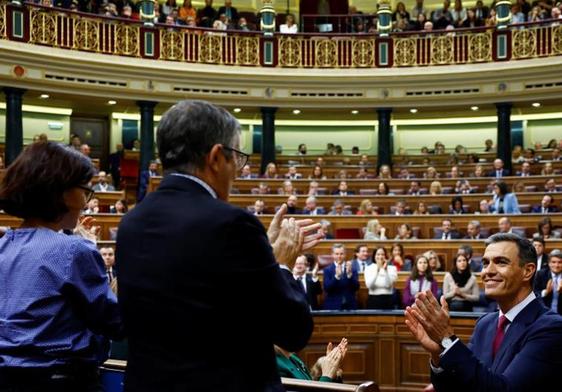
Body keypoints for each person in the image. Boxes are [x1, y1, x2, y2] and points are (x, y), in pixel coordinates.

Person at [116, 100, 321, 392]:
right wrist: (282, 264)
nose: (237, 172)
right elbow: (293, 330)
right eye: (236, 158)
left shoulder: (131, 224)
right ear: (215, 157)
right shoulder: (232, 224)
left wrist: (264, 253)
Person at [0, 141, 122, 390]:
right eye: (84, 191)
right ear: (61, 192)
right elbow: (113, 321)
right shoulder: (74, 250)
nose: (86, 201)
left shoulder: (4, 245)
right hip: (61, 380)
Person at [405, 233, 562, 391]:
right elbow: (461, 384)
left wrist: (447, 340)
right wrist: (438, 353)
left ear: (527, 271)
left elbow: (504, 389)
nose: (488, 271)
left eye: (501, 262)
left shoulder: (551, 327)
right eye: (485, 263)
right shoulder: (484, 324)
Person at [275, 338, 348, 382]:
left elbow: (309, 385)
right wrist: (327, 375)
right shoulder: (276, 365)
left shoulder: (292, 356)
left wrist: (331, 368)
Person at [323, 244, 360, 310]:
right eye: (337, 254)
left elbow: (356, 287)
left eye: (341, 254)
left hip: (350, 305)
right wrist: (336, 277)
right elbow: (327, 288)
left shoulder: (352, 269)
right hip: (333, 306)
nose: (339, 256)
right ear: (332, 255)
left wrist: (349, 275)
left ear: (345, 255)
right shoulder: (327, 270)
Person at [534, 249, 562, 314]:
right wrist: (545, 292)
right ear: (549, 263)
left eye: (560, 262)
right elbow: (534, 293)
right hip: (544, 313)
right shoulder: (541, 274)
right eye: (553, 262)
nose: (556, 265)